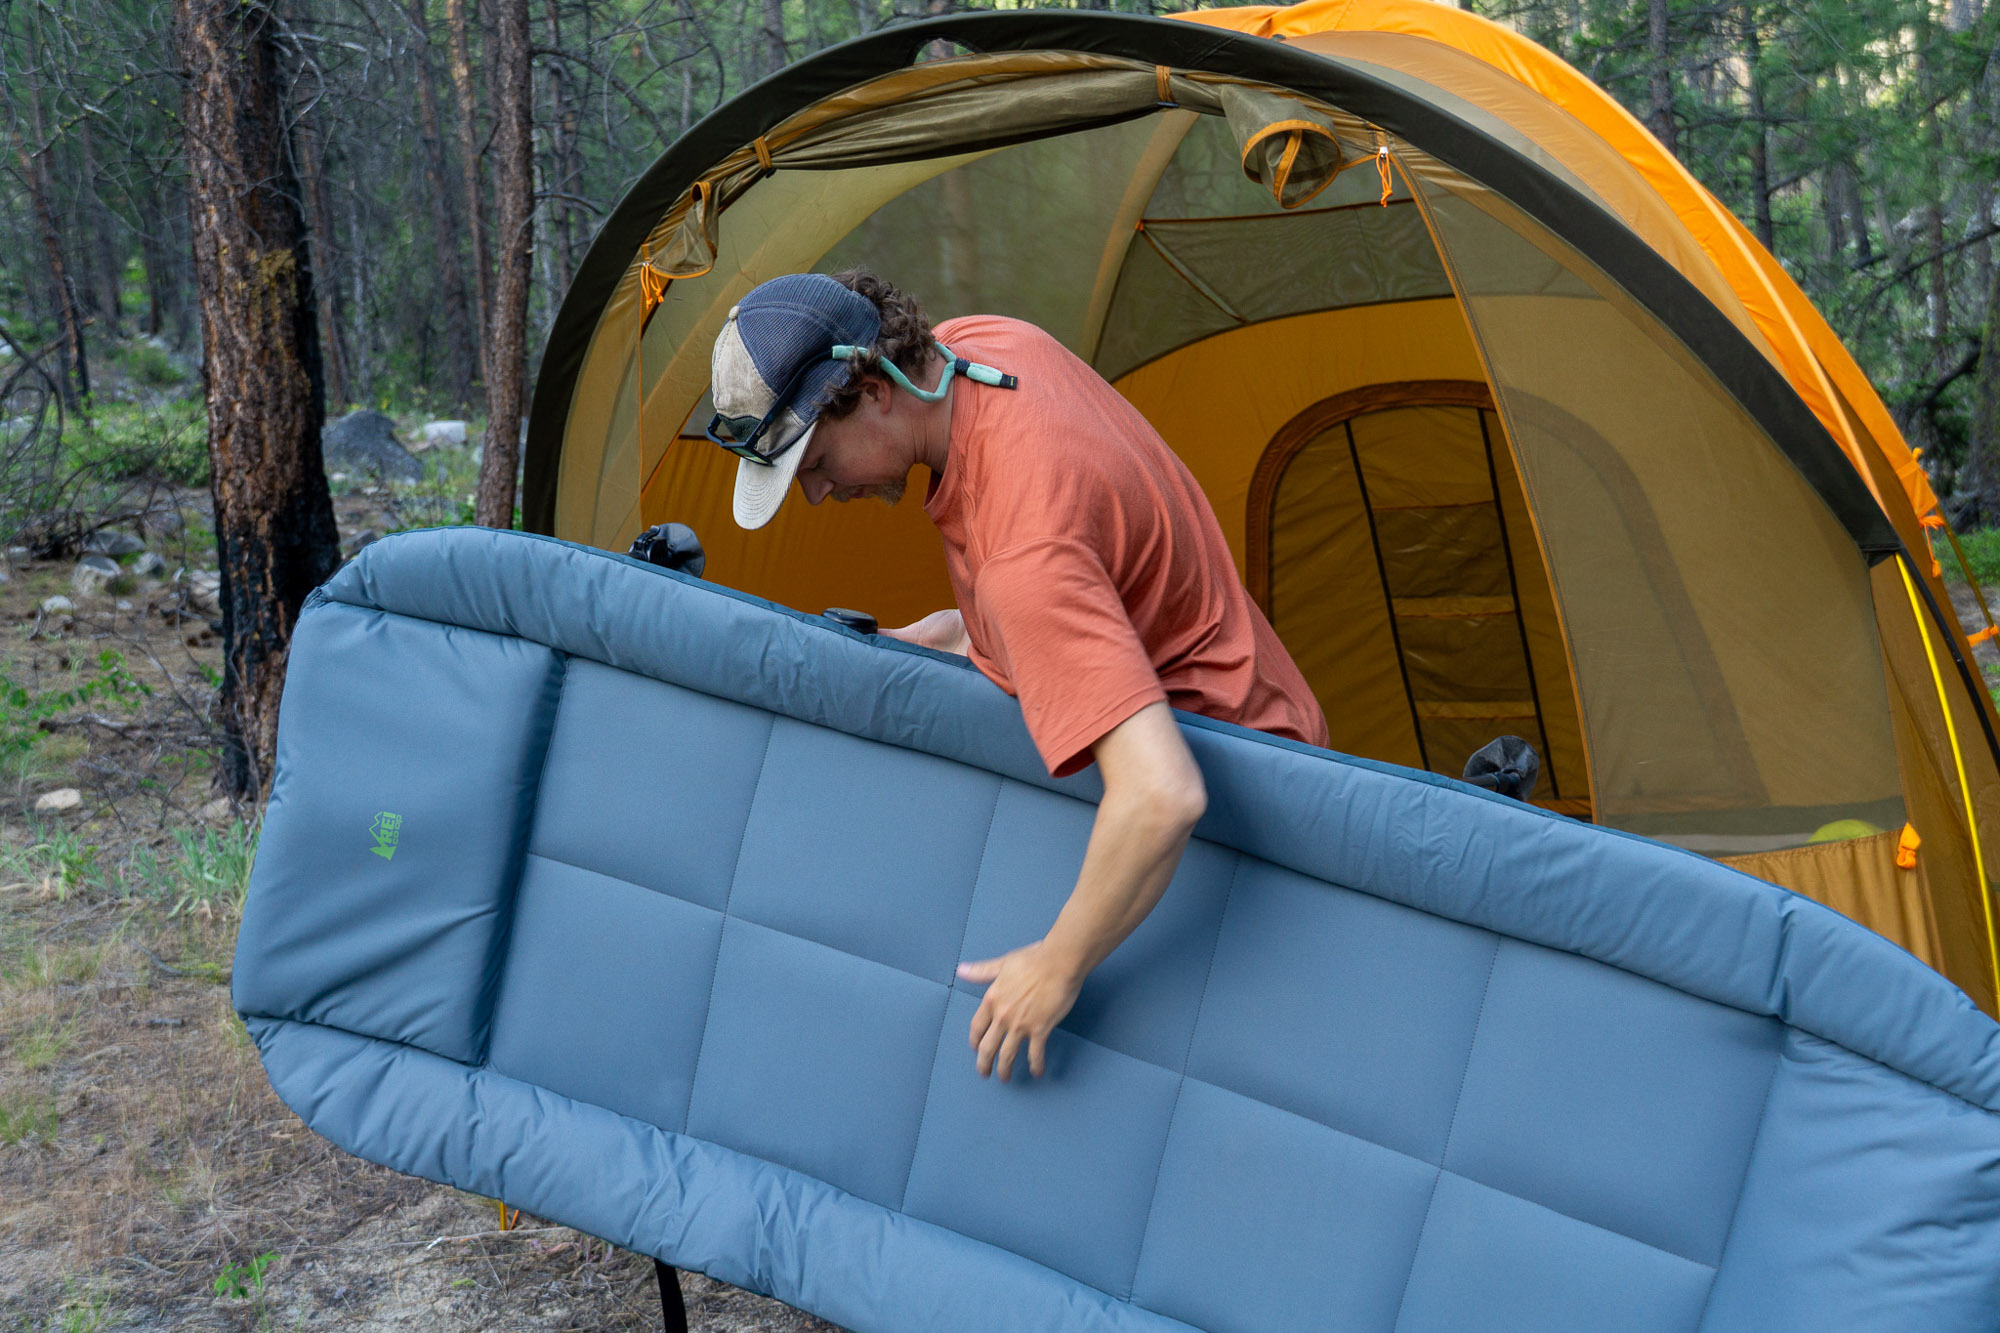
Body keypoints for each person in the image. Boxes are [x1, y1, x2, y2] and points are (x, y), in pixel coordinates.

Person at [707, 271, 1329, 1081]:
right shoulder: (981, 347)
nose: (819, 495)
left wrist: (1058, 963)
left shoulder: (1026, 560)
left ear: (874, 389)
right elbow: (1084, 571)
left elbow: (1162, 796)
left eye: (817, 462)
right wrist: (959, 634)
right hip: (1262, 728)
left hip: (1249, 818)